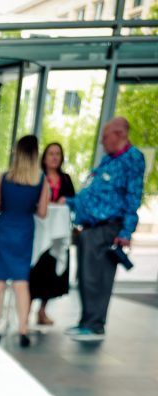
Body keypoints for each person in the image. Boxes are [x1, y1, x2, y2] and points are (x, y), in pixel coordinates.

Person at [62, 116, 145, 342]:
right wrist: (71, 202)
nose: (101, 141)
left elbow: (133, 196)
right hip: (89, 228)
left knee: (98, 278)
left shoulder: (132, 159)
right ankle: (86, 321)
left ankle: (95, 325)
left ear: (119, 134)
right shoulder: (108, 160)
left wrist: (126, 231)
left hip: (107, 228)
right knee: (85, 276)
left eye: (105, 136)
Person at [0, 134, 50, 348]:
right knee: (21, 283)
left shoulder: (3, 178)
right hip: (24, 231)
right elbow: (43, 213)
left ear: (17, 153)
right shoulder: (40, 180)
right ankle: (23, 330)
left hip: (4, 230)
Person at [29, 142, 75, 326]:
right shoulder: (37, 177)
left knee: (51, 271)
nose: (55, 157)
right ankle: (26, 309)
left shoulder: (66, 179)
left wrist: (66, 201)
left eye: (58, 154)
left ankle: (42, 311)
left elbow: (73, 201)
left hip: (57, 233)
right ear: (44, 157)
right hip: (39, 231)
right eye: (51, 153)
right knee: (34, 270)